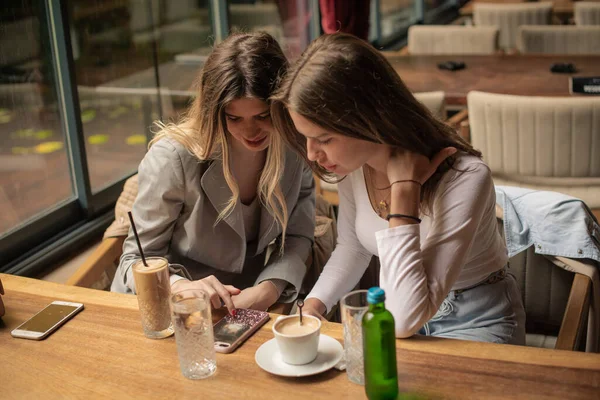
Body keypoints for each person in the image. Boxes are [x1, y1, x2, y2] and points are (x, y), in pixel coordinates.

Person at [270, 33, 525, 344]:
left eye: (324, 139)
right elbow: (354, 247)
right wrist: (314, 305)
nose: (311, 154)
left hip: (475, 318)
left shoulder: (465, 177)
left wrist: (404, 189)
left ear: (368, 120)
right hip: (396, 312)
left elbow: (404, 319)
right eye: (307, 138)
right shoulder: (353, 166)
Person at [111, 32, 316, 314]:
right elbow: (135, 260)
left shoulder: (297, 146)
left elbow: (298, 236)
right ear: (214, 112)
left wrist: (268, 289)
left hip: (247, 304)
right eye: (234, 118)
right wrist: (180, 287)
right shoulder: (173, 159)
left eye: (262, 116)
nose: (251, 132)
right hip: (174, 310)